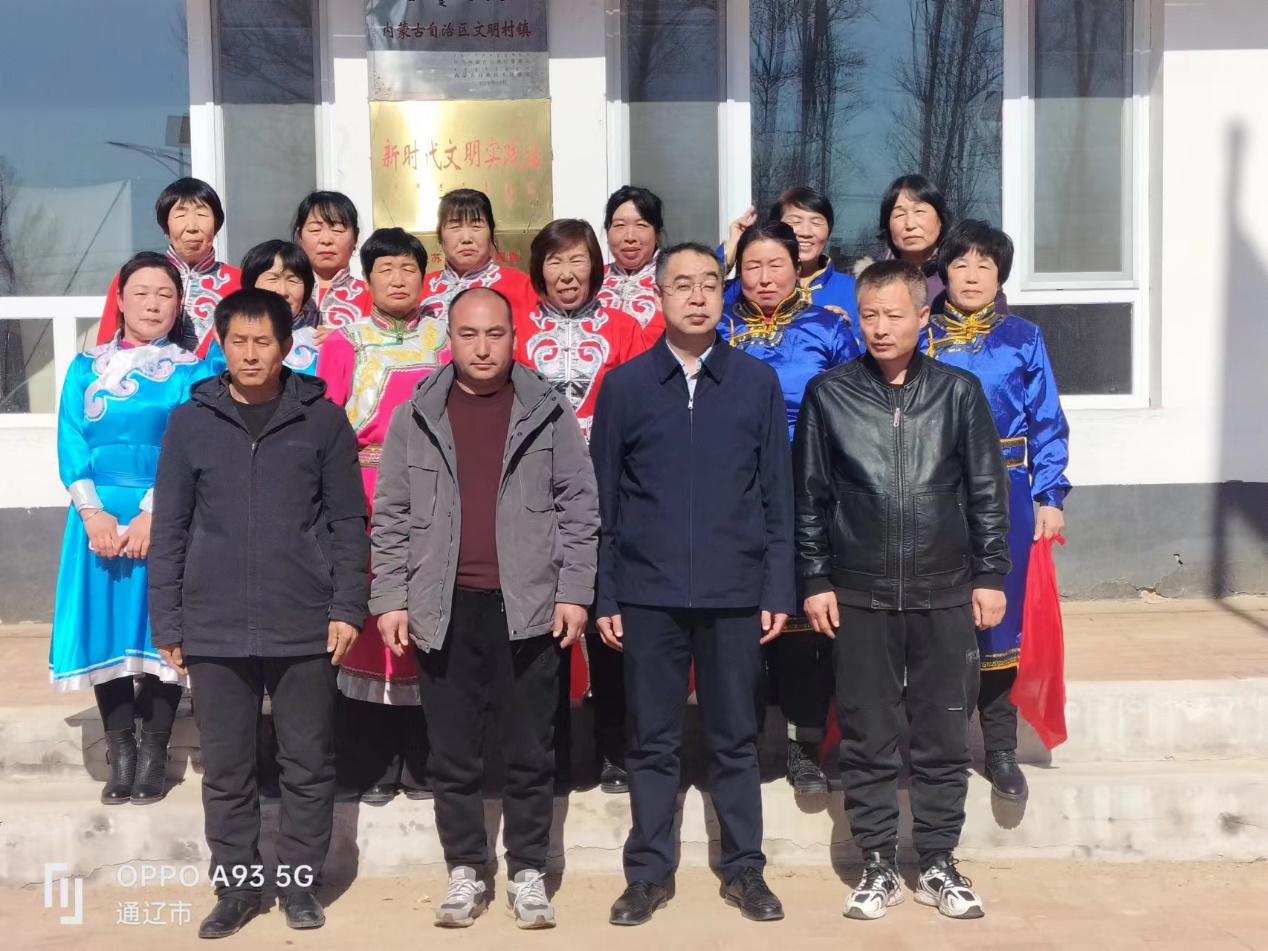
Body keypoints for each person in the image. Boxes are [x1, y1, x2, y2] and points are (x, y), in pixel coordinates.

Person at [372, 286, 599, 930]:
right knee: (452, 753)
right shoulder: (416, 413)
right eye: (468, 334)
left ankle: (528, 871)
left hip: (528, 609)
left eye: (495, 333)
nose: (481, 347)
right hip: (441, 608)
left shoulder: (546, 410)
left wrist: (574, 591)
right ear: (450, 338)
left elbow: (579, 508)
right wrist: (390, 597)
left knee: (530, 749)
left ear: (514, 337)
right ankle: (466, 869)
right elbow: (390, 514)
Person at [793, 260, 1011, 921]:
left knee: (944, 730)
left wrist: (990, 573)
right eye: (869, 315)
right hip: (859, 592)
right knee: (867, 733)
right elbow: (810, 497)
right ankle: (879, 862)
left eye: (894, 314)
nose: (881, 327)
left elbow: (987, 489)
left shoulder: (959, 392)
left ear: (923, 316)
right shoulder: (830, 394)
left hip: (944, 587)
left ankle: (938, 859)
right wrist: (816, 578)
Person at [148, 288, 368, 938]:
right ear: (221, 344)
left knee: (308, 761)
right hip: (214, 623)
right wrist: (168, 620)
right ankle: (237, 888)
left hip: (304, 619)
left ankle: (299, 883)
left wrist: (347, 605)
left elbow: (348, 522)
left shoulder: (322, 421)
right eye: (238, 342)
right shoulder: (190, 423)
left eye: (263, 341)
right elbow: (171, 528)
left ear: (286, 346)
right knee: (227, 767)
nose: (250, 354)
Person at [591, 243, 794, 926]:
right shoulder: (624, 386)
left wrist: (776, 587)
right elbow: (604, 501)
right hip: (648, 593)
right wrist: (608, 592)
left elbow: (776, 494)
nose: (698, 296)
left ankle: (744, 869)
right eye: (683, 285)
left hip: (735, 592)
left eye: (710, 283)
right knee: (652, 739)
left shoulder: (755, 382)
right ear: (658, 295)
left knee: (735, 737)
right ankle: (648, 873)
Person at [49, 252, 203, 806]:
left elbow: (190, 445)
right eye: (141, 292)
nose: (153, 304)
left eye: (165, 294)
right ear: (120, 299)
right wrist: (92, 514)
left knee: (161, 628)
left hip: (164, 513)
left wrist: (155, 513)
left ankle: (155, 750)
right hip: (95, 519)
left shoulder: (192, 371)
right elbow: (71, 438)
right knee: (106, 627)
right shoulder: (83, 367)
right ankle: (121, 750)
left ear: (179, 305)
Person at [925, 220, 1071, 801]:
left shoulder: (1023, 337)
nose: (972, 275)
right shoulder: (920, 333)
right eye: (961, 263)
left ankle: (1002, 750)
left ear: (1000, 275)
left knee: (999, 624)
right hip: (932, 492)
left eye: (984, 265)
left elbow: (1047, 421)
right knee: (937, 620)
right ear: (943, 271)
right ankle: (940, 748)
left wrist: (1049, 496)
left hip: (1007, 490)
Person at [718, 220, 861, 797]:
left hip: (811, 485)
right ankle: (743, 745)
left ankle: (805, 747)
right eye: (752, 265)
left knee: (807, 622)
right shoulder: (719, 329)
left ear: (797, 267)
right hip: (736, 488)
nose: (764, 276)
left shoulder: (829, 327)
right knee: (743, 623)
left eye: (775, 264)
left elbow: (855, 405)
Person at [315, 227, 448, 803]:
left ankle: (423, 758)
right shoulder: (345, 341)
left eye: (408, 268)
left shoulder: (446, 339)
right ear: (367, 279)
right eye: (385, 269)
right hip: (365, 491)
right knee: (369, 623)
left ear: (424, 277)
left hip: (438, 493)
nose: (398, 279)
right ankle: (371, 761)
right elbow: (326, 429)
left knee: (429, 618)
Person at [515, 217, 647, 794]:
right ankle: (552, 756)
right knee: (544, 629)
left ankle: (617, 749)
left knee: (611, 622)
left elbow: (645, 411)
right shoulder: (516, 330)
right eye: (554, 261)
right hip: (534, 496)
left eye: (577, 260)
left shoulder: (626, 328)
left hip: (610, 491)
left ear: (595, 266)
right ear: (538, 269)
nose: (567, 274)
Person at [95, 178, 241, 356]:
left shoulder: (241, 283)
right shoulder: (135, 275)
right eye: (180, 216)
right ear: (166, 227)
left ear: (217, 226)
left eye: (202, 215)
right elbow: (105, 343)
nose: (192, 227)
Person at [722, 186, 859, 334]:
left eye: (816, 223)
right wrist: (730, 250)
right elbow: (705, 290)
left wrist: (845, 334)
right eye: (795, 222)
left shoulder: (852, 289)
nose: (806, 232)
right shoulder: (749, 286)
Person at [420, 189, 536, 325]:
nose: (466, 238)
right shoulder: (418, 288)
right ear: (440, 235)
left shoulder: (522, 287)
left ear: (491, 233)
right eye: (455, 227)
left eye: (476, 226)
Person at [204, 241, 321, 376]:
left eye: (292, 280)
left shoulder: (319, 345)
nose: (282, 291)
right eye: (272, 279)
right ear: (251, 285)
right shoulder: (227, 339)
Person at [293, 191, 372, 332]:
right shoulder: (284, 291)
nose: (326, 240)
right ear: (300, 236)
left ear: (355, 236)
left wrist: (343, 338)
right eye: (315, 229)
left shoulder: (373, 295)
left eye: (338, 229)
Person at [597, 185, 667, 340]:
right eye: (619, 225)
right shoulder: (591, 279)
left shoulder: (675, 279)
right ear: (607, 232)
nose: (630, 237)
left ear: (657, 235)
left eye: (641, 225)